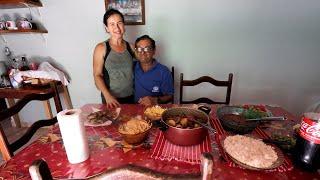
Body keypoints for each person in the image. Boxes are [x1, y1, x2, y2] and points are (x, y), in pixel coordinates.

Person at [93, 9, 135, 108]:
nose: (117, 27)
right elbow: (97, 75)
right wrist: (107, 96)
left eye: (119, 23)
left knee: (131, 123)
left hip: (131, 97)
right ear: (106, 28)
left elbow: (144, 65)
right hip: (111, 99)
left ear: (124, 25)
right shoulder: (101, 48)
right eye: (112, 24)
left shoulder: (131, 47)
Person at [134, 35, 174, 106]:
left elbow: (169, 96)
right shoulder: (132, 67)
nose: (143, 52)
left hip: (155, 111)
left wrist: (155, 100)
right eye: (140, 49)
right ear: (136, 51)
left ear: (154, 51)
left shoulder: (164, 71)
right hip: (134, 109)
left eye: (147, 49)